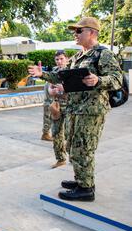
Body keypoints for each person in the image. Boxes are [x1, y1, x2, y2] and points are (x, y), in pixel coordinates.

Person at [28, 17, 123, 202]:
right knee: (72, 146)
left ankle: (86, 189)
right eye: (75, 31)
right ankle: (82, 180)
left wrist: (98, 80)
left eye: (79, 31)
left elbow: (117, 79)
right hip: (75, 109)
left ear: (92, 33)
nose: (75, 34)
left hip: (91, 111)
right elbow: (61, 76)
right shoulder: (79, 56)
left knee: (83, 149)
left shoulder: (102, 54)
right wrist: (43, 75)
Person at [48, 51, 69, 169]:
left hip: (71, 105)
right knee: (56, 132)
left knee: (70, 133)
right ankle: (60, 159)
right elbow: (49, 90)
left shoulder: (72, 70)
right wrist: (53, 92)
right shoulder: (54, 72)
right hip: (57, 106)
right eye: (57, 59)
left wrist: (65, 89)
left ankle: (74, 156)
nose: (59, 61)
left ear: (66, 59)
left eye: (61, 59)